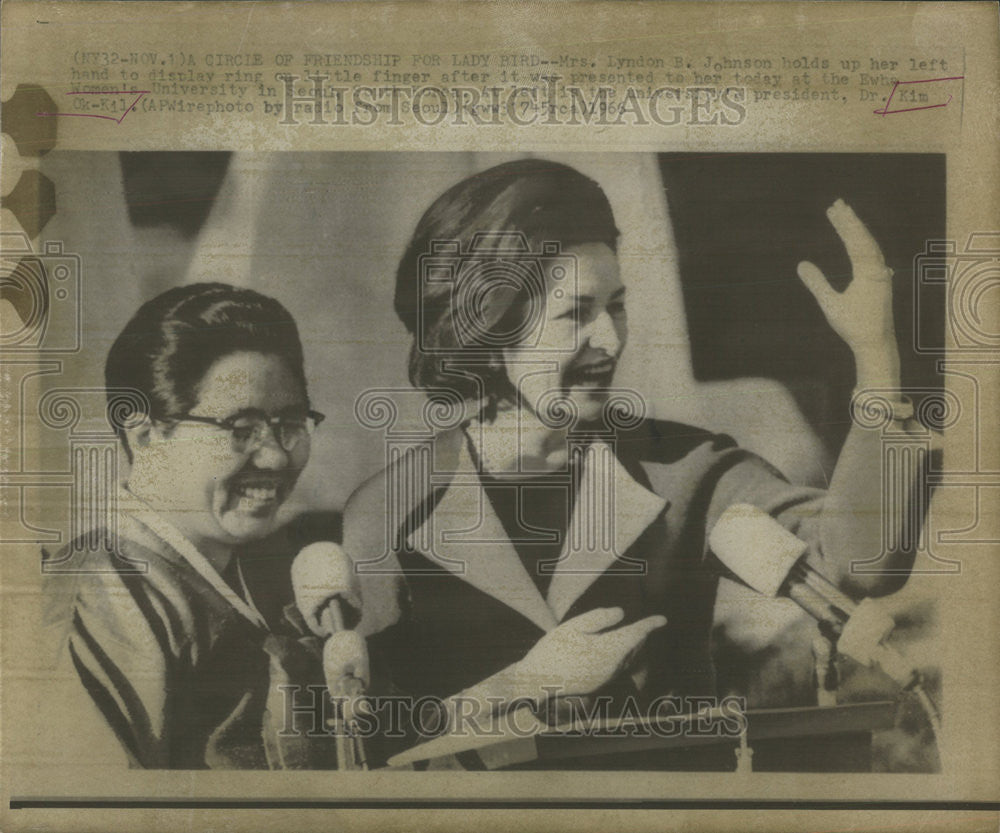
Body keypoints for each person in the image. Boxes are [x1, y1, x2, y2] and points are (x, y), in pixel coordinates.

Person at [343, 158, 932, 762]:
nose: (611, 340)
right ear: (488, 333)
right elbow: (362, 745)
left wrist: (877, 361)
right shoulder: (387, 513)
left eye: (617, 306)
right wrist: (522, 688)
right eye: (576, 313)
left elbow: (857, 567)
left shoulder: (686, 471)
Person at [43, 283, 333, 769]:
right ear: (145, 436)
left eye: (290, 423)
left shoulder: (266, 567)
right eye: (242, 430)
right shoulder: (101, 593)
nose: (278, 456)